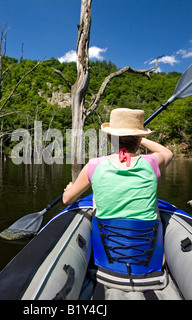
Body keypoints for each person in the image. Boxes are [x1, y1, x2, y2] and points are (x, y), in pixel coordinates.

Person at [62, 108, 173, 288]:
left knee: (96, 204)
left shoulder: (94, 165)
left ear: (110, 138)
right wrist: (140, 137)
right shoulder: (152, 162)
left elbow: (67, 199)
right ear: (139, 140)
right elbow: (168, 153)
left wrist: (69, 189)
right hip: (152, 268)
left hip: (105, 268)